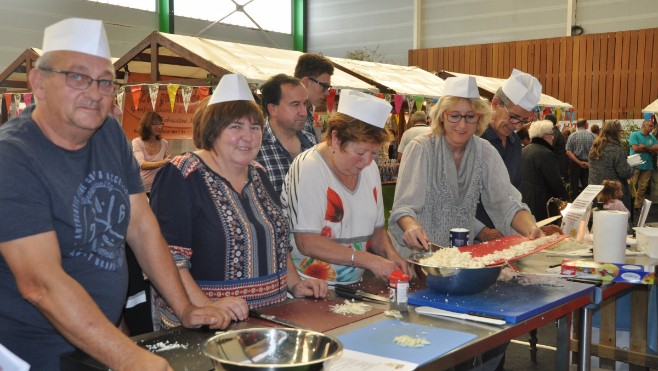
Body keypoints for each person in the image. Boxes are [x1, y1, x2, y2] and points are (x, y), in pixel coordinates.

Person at [0, 18, 231, 370]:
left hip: (99, 338)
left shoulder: (107, 132)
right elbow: (40, 284)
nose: (95, 93)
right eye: (77, 77)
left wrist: (185, 308)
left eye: (106, 81)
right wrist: (127, 357)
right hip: (33, 352)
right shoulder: (12, 157)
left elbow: (141, 226)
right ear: (39, 83)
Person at [149, 74, 327, 329]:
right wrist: (203, 306)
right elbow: (168, 257)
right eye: (235, 127)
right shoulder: (182, 174)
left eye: (254, 127)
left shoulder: (259, 173)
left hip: (269, 319)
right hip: (209, 326)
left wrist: (295, 283)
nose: (248, 137)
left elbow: (277, 242)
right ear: (213, 130)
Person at [390, 75, 544, 253]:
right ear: (441, 116)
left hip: (459, 258)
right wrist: (410, 227)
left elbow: (506, 202)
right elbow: (404, 207)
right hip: (417, 258)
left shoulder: (484, 151)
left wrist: (532, 229)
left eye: (470, 117)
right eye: (454, 116)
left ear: (480, 118)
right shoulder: (421, 149)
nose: (462, 125)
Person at [281, 89, 411, 284]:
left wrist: (391, 255)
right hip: (309, 284)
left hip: (353, 285)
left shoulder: (370, 169)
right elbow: (306, 242)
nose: (367, 161)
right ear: (336, 139)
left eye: (373, 153)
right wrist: (368, 260)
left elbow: (377, 232)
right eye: (360, 152)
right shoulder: (309, 167)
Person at [475, 68, 542, 242]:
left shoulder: (514, 144)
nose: (518, 126)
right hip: (471, 236)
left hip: (507, 233)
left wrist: (530, 226)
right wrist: (480, 230)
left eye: (523, 121)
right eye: (514, 117)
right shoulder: (473, 139)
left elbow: (511, 195)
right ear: (495, 103)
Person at [256, 74, 316, 194]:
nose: (303, 112)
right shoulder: (255, 147)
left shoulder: (312, 142)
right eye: (295, 105)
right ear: (272, 109)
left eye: (305, 104)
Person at [520, 120, 568, 221]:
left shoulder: (524, 150)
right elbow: (555, 180)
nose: (553, 137)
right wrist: (565, 198)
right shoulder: (546, 153)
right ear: (545, 136)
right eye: (552, 134)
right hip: (543, 203)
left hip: (525, 199)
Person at [588, 120, 633, 211]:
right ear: (616, 132)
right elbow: (624, 172)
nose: (621, 134)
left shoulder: (595, 147)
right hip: (613, 193)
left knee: (597, 220)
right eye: (621, 131)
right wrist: (632, 168)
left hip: (595, 191)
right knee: (618, 222)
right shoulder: (617, 149)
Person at [294, 53, 334, 142]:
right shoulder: (294, 119)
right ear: (306, 82)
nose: (327, 93)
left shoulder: (306, 116)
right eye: (324, 86)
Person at [132, 111, 171, 195]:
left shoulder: (164, 143)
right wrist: (161, 163)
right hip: (141, 189)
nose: (160, 127)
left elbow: (167, 165)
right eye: (155, 124)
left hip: (158, 188)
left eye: (161, 124)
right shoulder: (137, 142)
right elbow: (141, 164)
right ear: (147, 126)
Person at [629, 120, 658, 210]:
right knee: (631, 185)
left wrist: (644, 147)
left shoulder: (652, 137)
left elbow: (656, 150)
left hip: (647, 166)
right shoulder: (635, 135)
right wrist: (650, 149)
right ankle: (629, 203)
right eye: (650, 125)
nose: (652, 127)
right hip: (635, 163)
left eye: (652, 126)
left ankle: (638, 205)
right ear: (643, 126)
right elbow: (635, 148)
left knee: (643, 187)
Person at [565, 118, 595, 200]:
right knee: (587, 186)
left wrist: (578, 162)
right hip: (588, 163)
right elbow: (596, 152)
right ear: (586, 125)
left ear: (577, 125)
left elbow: (568, 152)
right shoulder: (592, 136)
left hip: (575, 163)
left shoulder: (572, 136)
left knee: (573, 186)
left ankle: (573, 204)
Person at [545, 113, 568, 179]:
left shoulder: (554, 133)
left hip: (557, 165)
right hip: (558, 163)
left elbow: (550, 148)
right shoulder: (555, 132)